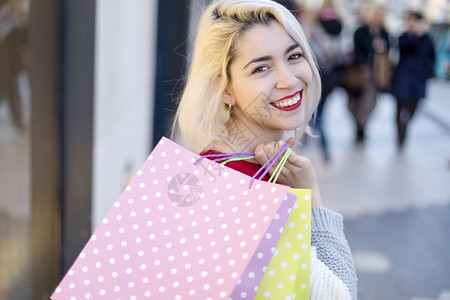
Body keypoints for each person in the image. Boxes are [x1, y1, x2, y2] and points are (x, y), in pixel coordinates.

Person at [172, 0, 357, 298]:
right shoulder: (242, 187)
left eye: (294, 56)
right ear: (226, 89)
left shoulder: (211, 168)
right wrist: (312, 198)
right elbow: (339, 293)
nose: (288, 79)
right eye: (261, 68)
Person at [302, 0, 352, 162]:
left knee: (317, 115)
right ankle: (310, 140)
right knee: (319, 113)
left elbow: (310, 53)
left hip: (318, 77)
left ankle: (324, 149)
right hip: (333, 80)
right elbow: (346, 55)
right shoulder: (341, 31)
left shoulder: (315, 31)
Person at [390, 11, 435, 147]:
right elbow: (404, 48)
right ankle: (400, 135)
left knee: (414, 106)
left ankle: (404, 127)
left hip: (418, 78)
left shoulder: (427, 38)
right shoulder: (404, 37)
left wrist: (421, 35)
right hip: (403, 77)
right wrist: (413, 35)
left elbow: (429, 55)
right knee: (399, 106)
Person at [347, 3, 390, 142]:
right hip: (359, 74)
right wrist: (363, 64)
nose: (379, 16)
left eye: (381, 14)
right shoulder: (361, 31)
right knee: (352, 104)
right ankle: (358, 126)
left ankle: (362, 127)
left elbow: (388, 51)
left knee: (370, 103)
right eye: (377, 13)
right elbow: (356, 49)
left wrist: (382, 47)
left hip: (375, 75)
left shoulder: (384, 32)